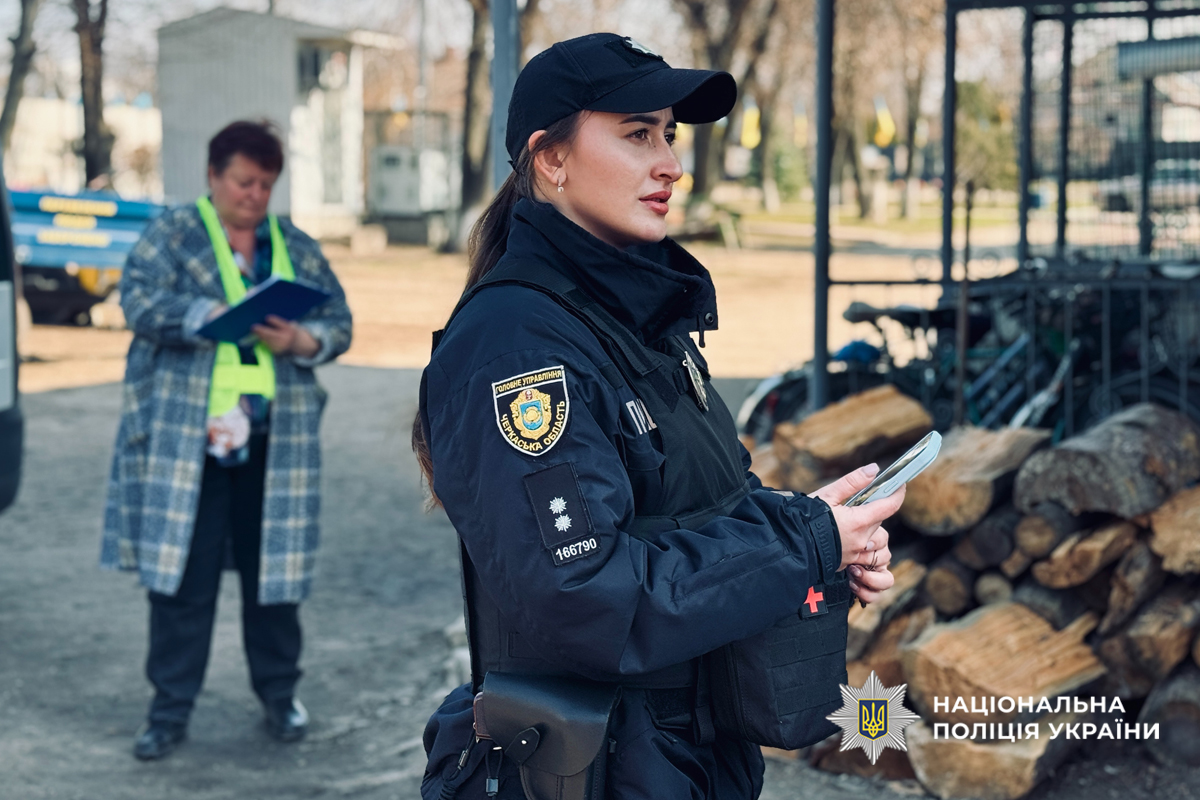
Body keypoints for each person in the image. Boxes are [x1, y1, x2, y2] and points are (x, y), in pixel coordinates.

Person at [414, 33, 901, 799]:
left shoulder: (641, 321)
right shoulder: (516, 347)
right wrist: (794, 546)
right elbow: (583, 597)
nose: (671, 162)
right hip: (591, 769)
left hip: (686, 758)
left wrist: (819, 534)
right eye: (637, 134)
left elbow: (707, 506)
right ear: (552, 158)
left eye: (669, 135)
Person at [101, 120, 353, 760]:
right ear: (214, 176)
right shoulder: (174, 235)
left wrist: (304, 341)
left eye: (266, 184)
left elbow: (338, 321)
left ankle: (279, 697)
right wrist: (206, 317)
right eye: (244, 181)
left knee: (275, 579)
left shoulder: (292, 244)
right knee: (183, 582)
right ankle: (168, 710)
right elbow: (136, 300)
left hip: (275, 446)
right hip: (189, 445)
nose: (255, 196)